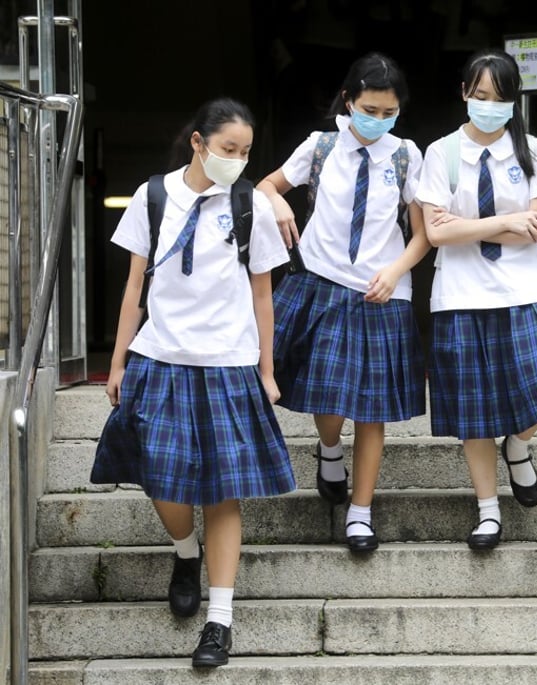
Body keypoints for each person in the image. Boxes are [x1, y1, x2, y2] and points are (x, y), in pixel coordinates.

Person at [91, 98, 295, 668]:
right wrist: (118, 362)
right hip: (161, 356)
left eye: (247, 151)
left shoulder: (250, 203)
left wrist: (267, 368)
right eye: (229, 149)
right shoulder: (154, 196)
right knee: (163, 479)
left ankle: (219, 622)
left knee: (223, 494)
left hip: (228, 361)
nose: (238, 160)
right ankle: (186, 553)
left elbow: (262, 293)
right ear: (199, 144)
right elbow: (134, 287)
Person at [416, 49, 537, 550]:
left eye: (499, 97)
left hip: (528, 289)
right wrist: (504, 222)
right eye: (480, 95)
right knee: (474, 413)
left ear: (515, 100)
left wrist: (469, 226)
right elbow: (435, 232)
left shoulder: (534, 151)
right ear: (464, 94)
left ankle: (518, 445)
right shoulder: (441, 153)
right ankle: (487, 510)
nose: (488, 104)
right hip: (460, 295)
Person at [257, 53, 429, 554]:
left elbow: (424, 234)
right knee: (331, 399)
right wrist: (276, 200)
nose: (378, 120)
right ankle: (329, 449)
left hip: (383, 292)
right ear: (348, 100)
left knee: (371, 412)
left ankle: (361, 512)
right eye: (369, 108)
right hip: (323, 282)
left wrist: (395, 272)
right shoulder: (320, 147)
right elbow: (268, 183)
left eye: (388, 112)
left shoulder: (405, 156)